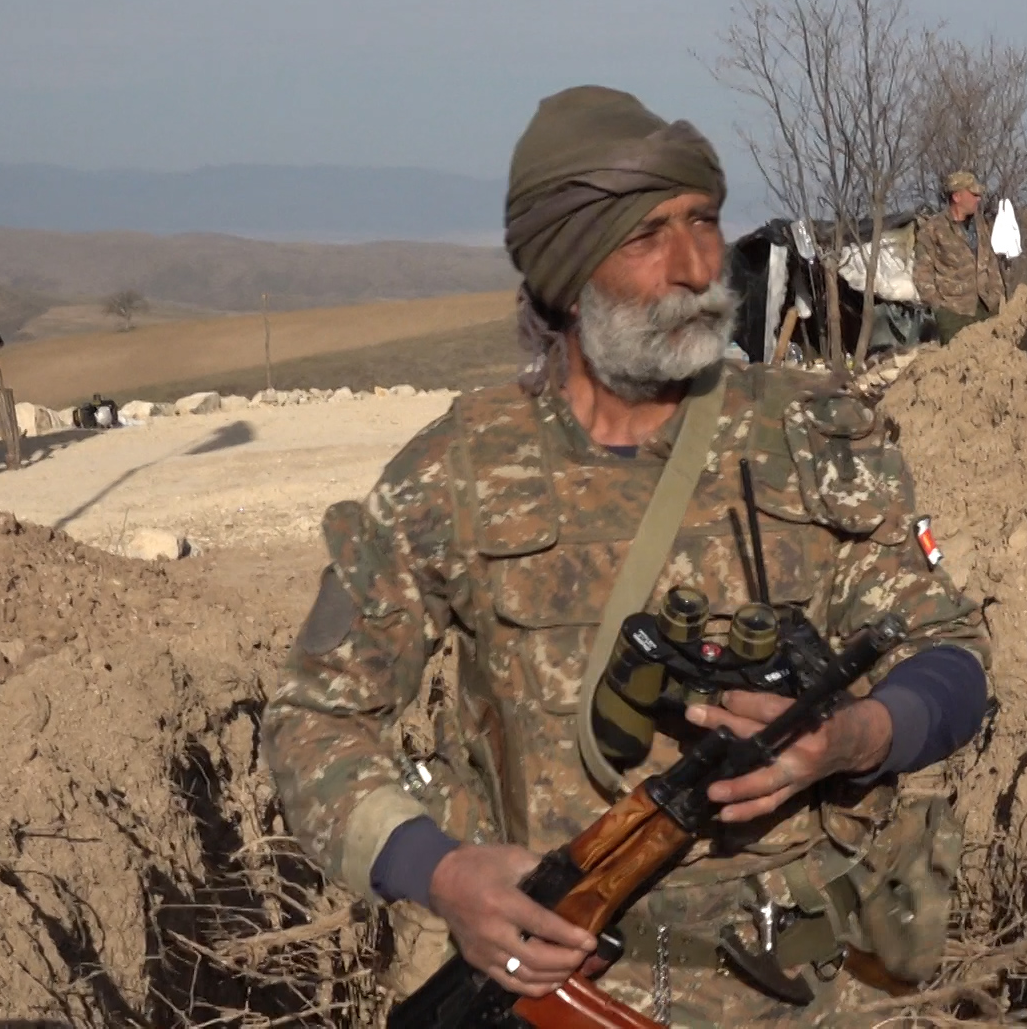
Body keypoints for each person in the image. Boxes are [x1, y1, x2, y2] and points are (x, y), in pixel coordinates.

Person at [261, 86, 990, 1029]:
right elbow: (314, 717)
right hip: (550, 991)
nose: (697, 267)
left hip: (806, 992)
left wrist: (858, 737)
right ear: (565, 277)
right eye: (648, 236)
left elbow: (953, 656)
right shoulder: (459, 474)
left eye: (704, 221)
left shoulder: (812, 438)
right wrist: (439, 872)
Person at [912, 171, 1006, 345]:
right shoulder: (933, 230)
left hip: (987, 307)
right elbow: (922, 272)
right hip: (954, 313)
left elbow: (991, 262)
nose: (978, 199)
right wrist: (938, 307)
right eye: (973, 194)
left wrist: (997, 295)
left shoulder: (982, 226)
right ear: (957, 196)